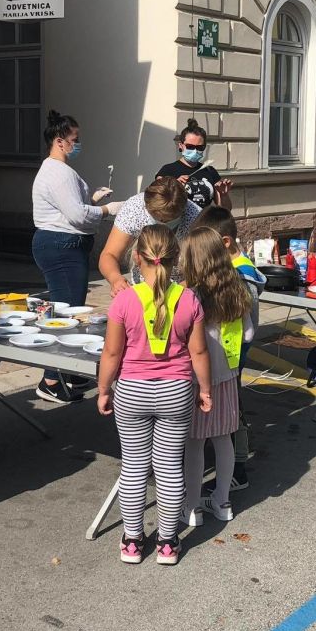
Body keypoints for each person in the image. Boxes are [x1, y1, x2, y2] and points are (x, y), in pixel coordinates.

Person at [96, 225, 212, 565]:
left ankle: (133, 541)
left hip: (132, 390)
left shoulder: (124, 300)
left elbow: (112, 353)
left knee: (133, 467)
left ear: (136, 257)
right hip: (176, 391)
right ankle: (168, 542)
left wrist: (103, 389)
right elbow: (199, 352)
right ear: (176, 259)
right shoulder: (188, 299)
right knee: (170, 467)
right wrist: (205, 389)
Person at [31, 110, 123, 404]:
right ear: (60, 141)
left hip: (63, 244)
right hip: (62, 246)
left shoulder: (58, 171)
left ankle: (67, 372)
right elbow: (77, 215)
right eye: (75, 139)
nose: (78, 143)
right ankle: (50, 380)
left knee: (70, 310)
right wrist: (108, 210)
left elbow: (70, 208)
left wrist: (92, 199)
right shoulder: (58, 172)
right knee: (65, 313)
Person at [180, 227, 254, 526]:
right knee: (224, 440)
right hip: (227, 377)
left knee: (195, 443)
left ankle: (192, 506)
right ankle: (222, 501)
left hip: (197, 380)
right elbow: (248, 334)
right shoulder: (238, 290)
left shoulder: (190, 295)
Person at [190, 206, 265, 491]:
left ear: (222, 244)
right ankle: (229, 477)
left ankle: (238, 470)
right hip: (229, 359)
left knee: (231, 419)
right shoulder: (235, 275)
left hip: (227, 360)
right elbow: (249, 329)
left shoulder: (241, 277)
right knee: (228, 419)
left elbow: (246, 329)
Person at [99, 177, 202, 295]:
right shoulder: (134, 209)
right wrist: (115, 279)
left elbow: (205, 266)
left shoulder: (196, 218)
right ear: (146, 206)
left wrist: (180, 291)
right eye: (157, 217)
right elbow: (109, 254)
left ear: (183, 211)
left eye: (168, 219)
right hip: (142, 289)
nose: (163, 222)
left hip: (183, 290)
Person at [155, 119, 233, 209]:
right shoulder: (167, 170)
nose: (195, 151)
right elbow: (156, 203)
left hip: (204, 218)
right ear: (181, 146)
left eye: (200, 147)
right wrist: (173, 187)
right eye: (190, 146)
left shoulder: (210, 171)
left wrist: (224, 195)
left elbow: (225, 209)